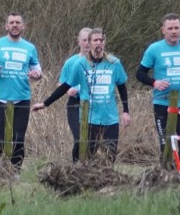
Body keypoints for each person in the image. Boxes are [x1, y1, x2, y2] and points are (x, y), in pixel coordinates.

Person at [33, 29, 130, 163]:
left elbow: (122, 87)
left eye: (101, 40)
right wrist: (45, 103)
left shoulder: (114, 63)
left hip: (110, 116)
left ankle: (106, 176)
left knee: (110, 155)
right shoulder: (80, 64)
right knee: (86, 153)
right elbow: (65, 86)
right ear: (89, 43)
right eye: (95, 40)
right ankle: (78, 171)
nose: (99, 43)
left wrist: (126, 111)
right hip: (89, 116)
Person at [135, 14, 180, 177]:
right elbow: (140, 73)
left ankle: (177, 171)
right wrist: (154, 82)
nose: (174, 31)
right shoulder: (154, 49)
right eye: (170, 28)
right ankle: (165, 175)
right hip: (162, 103)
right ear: (163, 30)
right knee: (166, 144)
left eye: (177, 28)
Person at [0, 13, 43, 173]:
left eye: (18, 22)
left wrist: (36, 75)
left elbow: (38, 71)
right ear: (6, 26)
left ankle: (15, 171)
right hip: (2, 97)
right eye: (12, 22)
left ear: (23, 26)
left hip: (22, 97)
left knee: (19, 138)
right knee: (3, 138)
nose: (15, 25)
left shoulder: (30, 48)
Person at [55, 28, 91, 162]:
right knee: (79, 138)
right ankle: (75, 166)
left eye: (89, 40)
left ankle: (89, 166)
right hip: (75, 104)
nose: (87, 43)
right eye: (84, 40)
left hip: (94, 104)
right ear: (78, 42)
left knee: (91, 139)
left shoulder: (99, 62)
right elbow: (60, 83)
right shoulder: (71, 62)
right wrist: (68, 90)